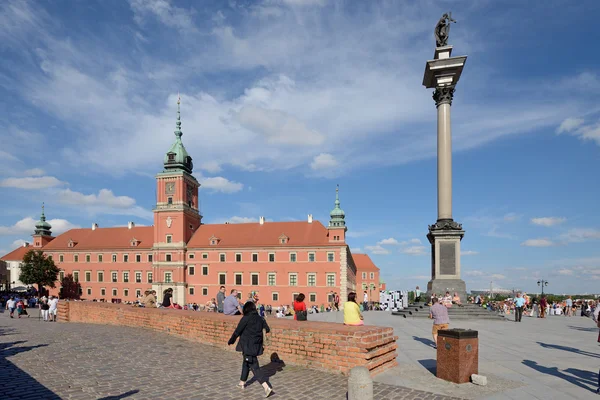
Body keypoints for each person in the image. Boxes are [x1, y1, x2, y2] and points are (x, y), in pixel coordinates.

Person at [227, 301, 273, 397]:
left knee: (254, 366)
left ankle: (266, 387)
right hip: (256, 345)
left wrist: (231, 341)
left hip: (248, 346)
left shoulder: (246, 318)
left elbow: (237, 331)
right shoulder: (261, 319)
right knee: (246, 363)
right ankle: (241, 383)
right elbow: (267, 329)